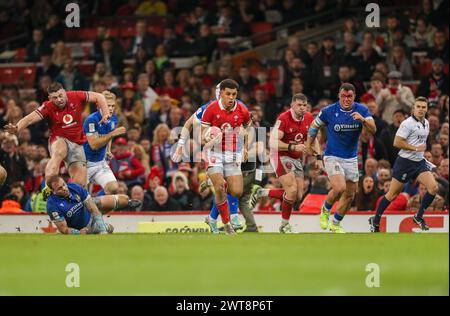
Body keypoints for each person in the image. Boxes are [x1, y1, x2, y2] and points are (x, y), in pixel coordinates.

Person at [4, 83, 111, 199]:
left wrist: (105, 113)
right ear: (50, 98)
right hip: (59, 140)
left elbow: (99, 97)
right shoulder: (47, 107)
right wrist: (17, 128)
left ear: (65, 92)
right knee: (59, 150)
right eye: (55, 97)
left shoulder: (75, 95)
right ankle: (48, 186)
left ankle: (69, 203)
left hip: (78, 144)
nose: (59, 99)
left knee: (80, 186)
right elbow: (30, 118)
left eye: (61, 95)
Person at [305, 83, 377, 233]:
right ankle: (325, 209)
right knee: (339, 188)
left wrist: (363, 120)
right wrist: (308, 145)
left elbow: (373, 129)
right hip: (332, 156)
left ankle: (336, 224)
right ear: (339, 96)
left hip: (351, 158)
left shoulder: (361, 109)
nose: (346, 99)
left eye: (349, 96)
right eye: (343, 96)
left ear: (354, 97)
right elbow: (313, 126)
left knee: (350, 194)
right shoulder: (329, 111)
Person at [250, 93, 321, 233]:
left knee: (298, 195)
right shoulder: (283, 118)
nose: (302, 108)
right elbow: (272, 142)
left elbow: (313, 137)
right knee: (292, 190)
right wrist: (293, 147)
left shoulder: (308, 117)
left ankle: (262, 192)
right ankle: (284, 225)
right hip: (279, 155)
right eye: (299, 105)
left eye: (304, 105)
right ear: (292, 106)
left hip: (296, 157)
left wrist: (318, 157)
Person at [369, 97, 439, 232]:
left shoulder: (426, 123)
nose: (421, 109)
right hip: (405, 162)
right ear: (413, 108)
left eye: (423, 107)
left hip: (419, 162)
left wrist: (421, 152)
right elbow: (397, 142)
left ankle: (418, 216)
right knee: (392, 194)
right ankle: (376, 219)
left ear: (427, 109)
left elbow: (421, 142)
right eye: (418, 107)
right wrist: (415, 148)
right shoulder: (407, 124)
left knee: (433, 188)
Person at [200, 79, 252, 235]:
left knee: (236, 191)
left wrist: (245, 148)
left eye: (234, 94)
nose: (231, 97)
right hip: (213, 153)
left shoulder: (242, 110)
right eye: (228, 94)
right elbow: (202, 136)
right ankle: (227, 223)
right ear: (221, 93)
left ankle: (211, 218)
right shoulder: (210, 109)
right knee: (220, 186)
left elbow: (247, 128)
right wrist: (208, 138)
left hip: (232, 153)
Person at [46, 175, 141, 235]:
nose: (65, 188)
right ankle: (103, 227)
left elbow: (93, 209)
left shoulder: (74, 187)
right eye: (60, 188)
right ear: (53, 191)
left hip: (88, 207)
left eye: (64, 184)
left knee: (124, 198)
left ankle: (127, 203)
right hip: (86, 226)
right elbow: (63, 229)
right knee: (110, 228)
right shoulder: (52, 205)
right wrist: (78, 233)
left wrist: (102, 230)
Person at [83, 91, 127, 195]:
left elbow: (108, 135)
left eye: (113, 106)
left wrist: (108, 150)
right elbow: (93, 145)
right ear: (99, 105)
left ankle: (95, 205)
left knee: (113, 189)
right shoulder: (91, 120)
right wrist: (113, 134)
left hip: (100, 163)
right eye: (108, 105)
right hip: (84, 164)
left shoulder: (113, 119)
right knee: (79, 197)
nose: (111, 109)